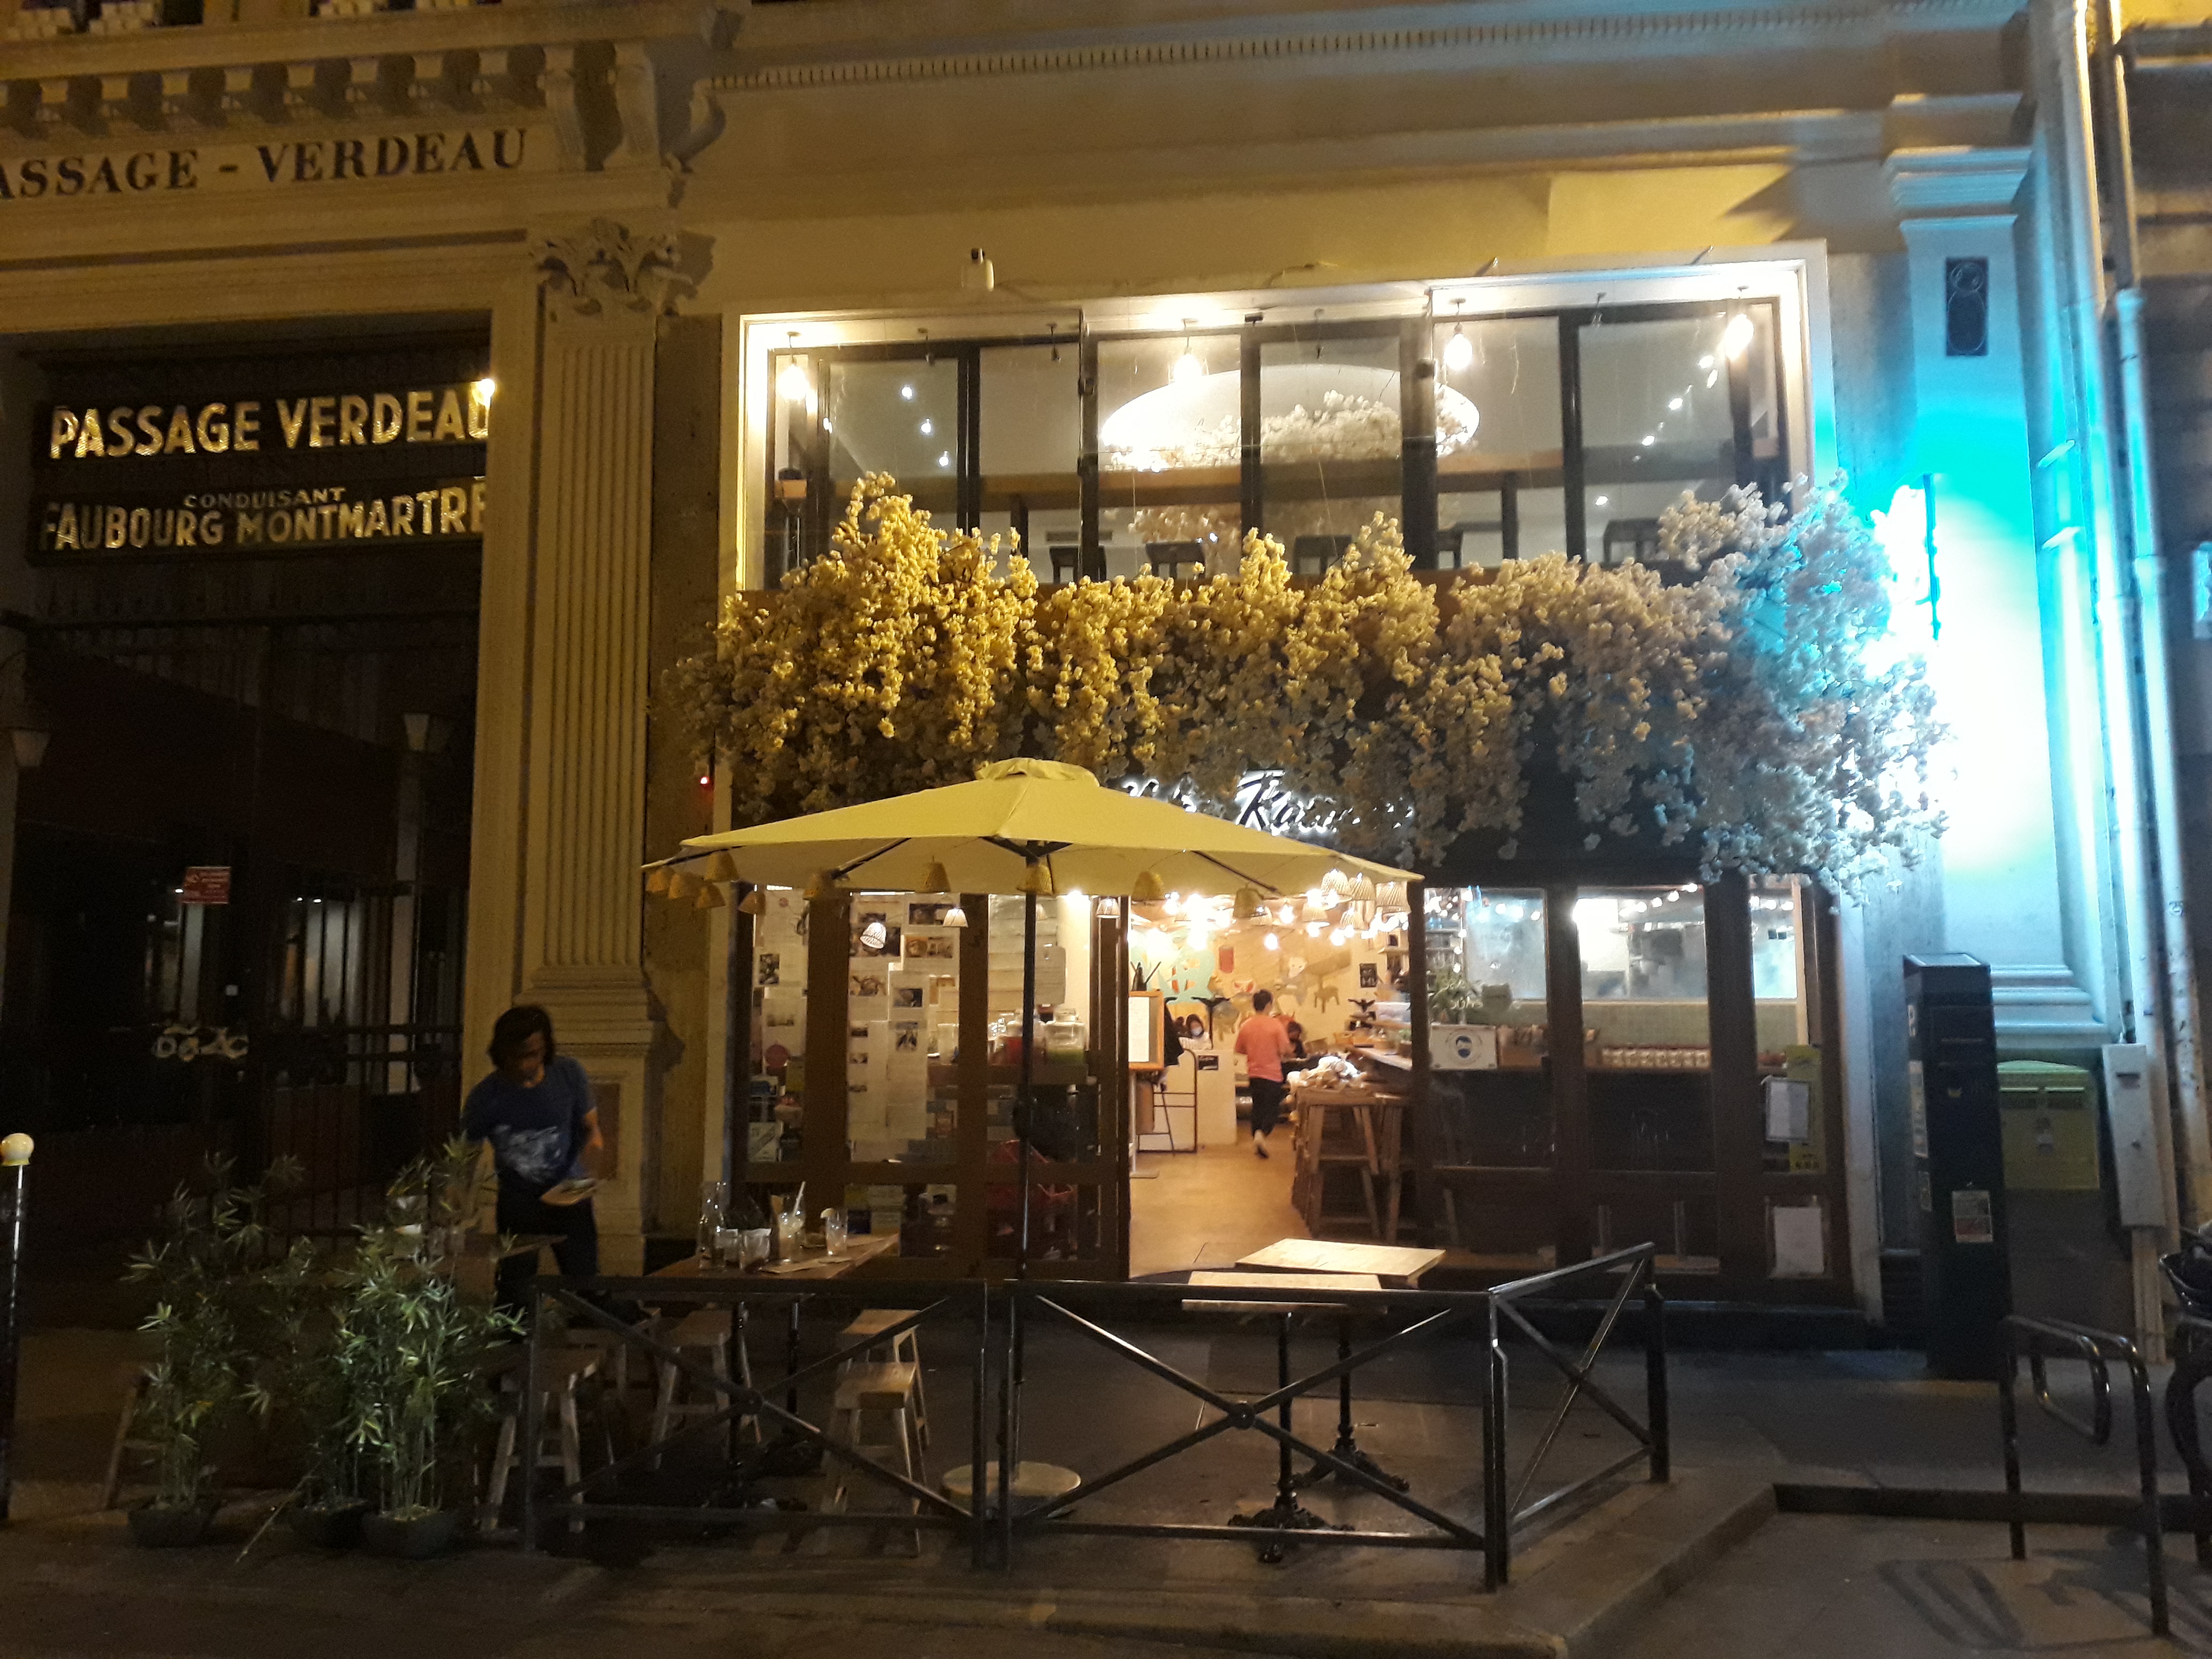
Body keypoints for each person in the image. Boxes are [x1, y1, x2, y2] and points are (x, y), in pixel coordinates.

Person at [462, 1004, 604, 1314]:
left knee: (586, 1287)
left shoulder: (567, 1075)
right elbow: (467, 1159)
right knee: (515, 1291)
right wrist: (462, 1209)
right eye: (516, 1057)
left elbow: (592, 1134)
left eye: (534, 1055)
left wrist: (584, 1182)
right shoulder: (485, 1097)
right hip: (519, 1202)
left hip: (569, 1194)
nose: (525, 1065)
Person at [1234, 989, 1296, 1159]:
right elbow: (1284, 1050)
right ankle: (1262, 1134)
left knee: (1258, 1108)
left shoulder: (1246, 1025)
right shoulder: (1275, 1025)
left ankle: (1256, 1138)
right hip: (1272, 1074)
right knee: (1273, 1109)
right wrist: (1290, 1051)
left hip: (1254, 1073)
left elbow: (1239, 1049)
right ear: (1269, 1005)